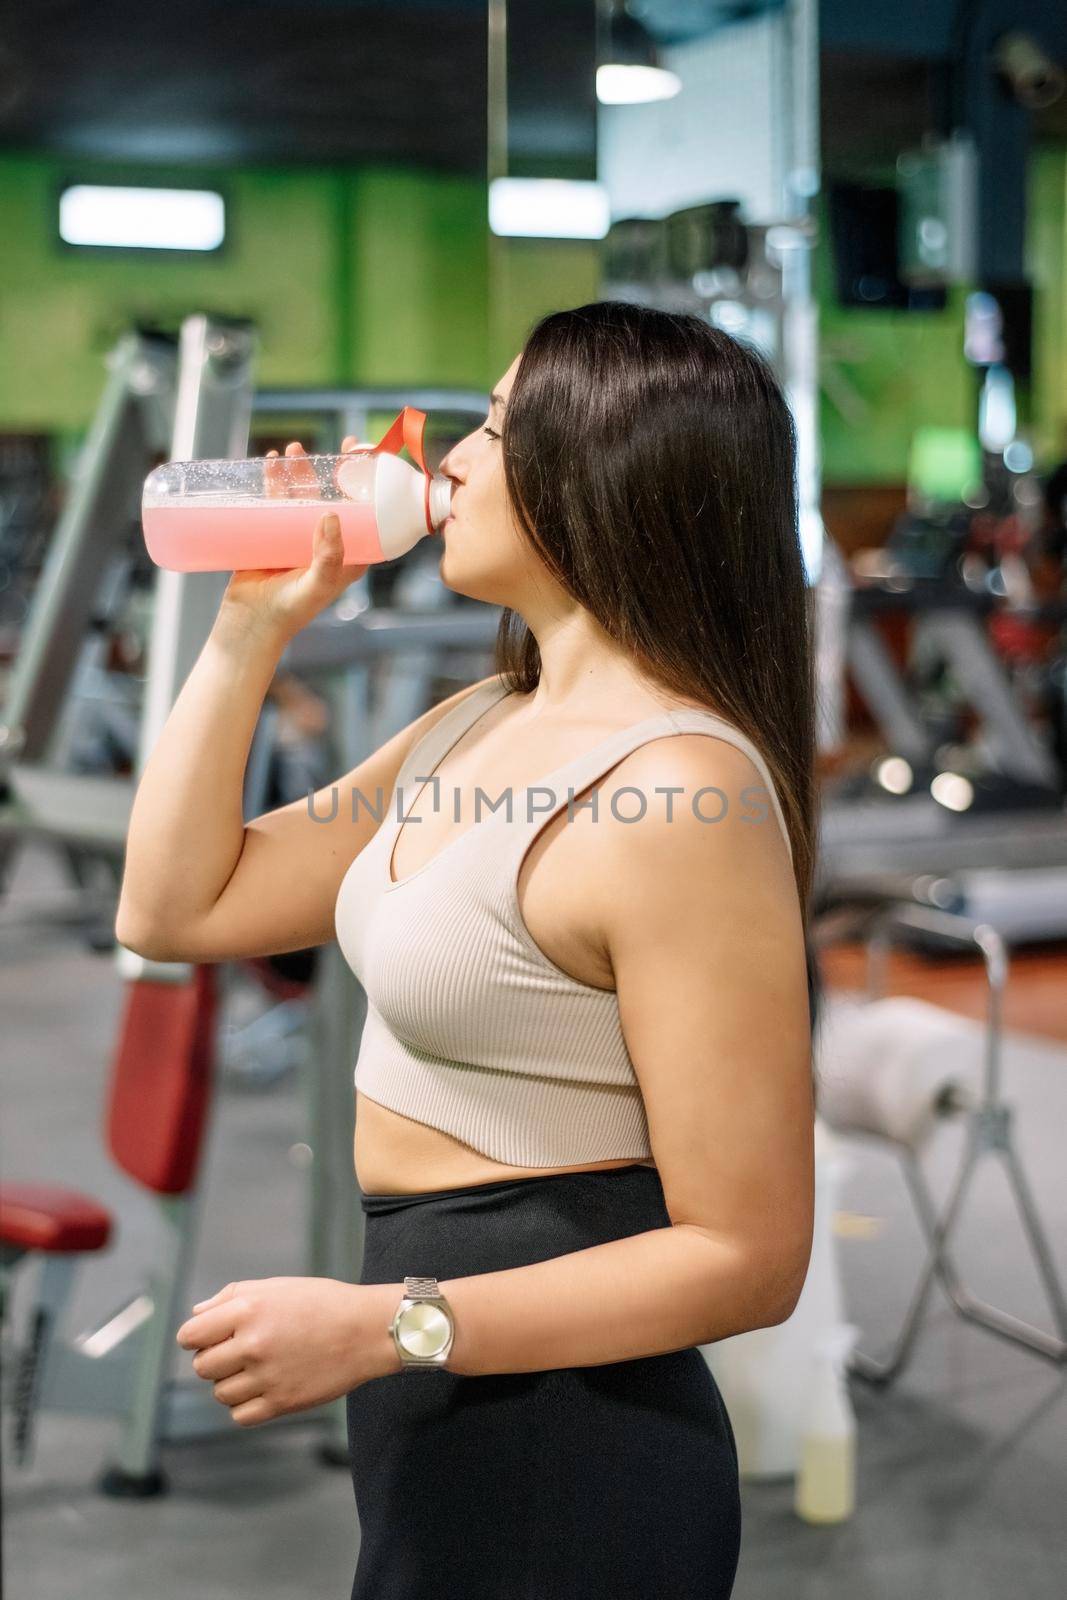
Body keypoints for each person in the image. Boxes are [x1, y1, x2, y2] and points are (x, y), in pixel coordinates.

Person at [117, 300, 816, 1599]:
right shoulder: (479, 722)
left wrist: (393, 1325)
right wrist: (250, 630)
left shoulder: (682, 797)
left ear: (596, 480)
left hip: (569, 1420)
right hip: (436, 1379)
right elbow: (173, 910)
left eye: (494, 428)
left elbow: (751, 1255)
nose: (447, 460)